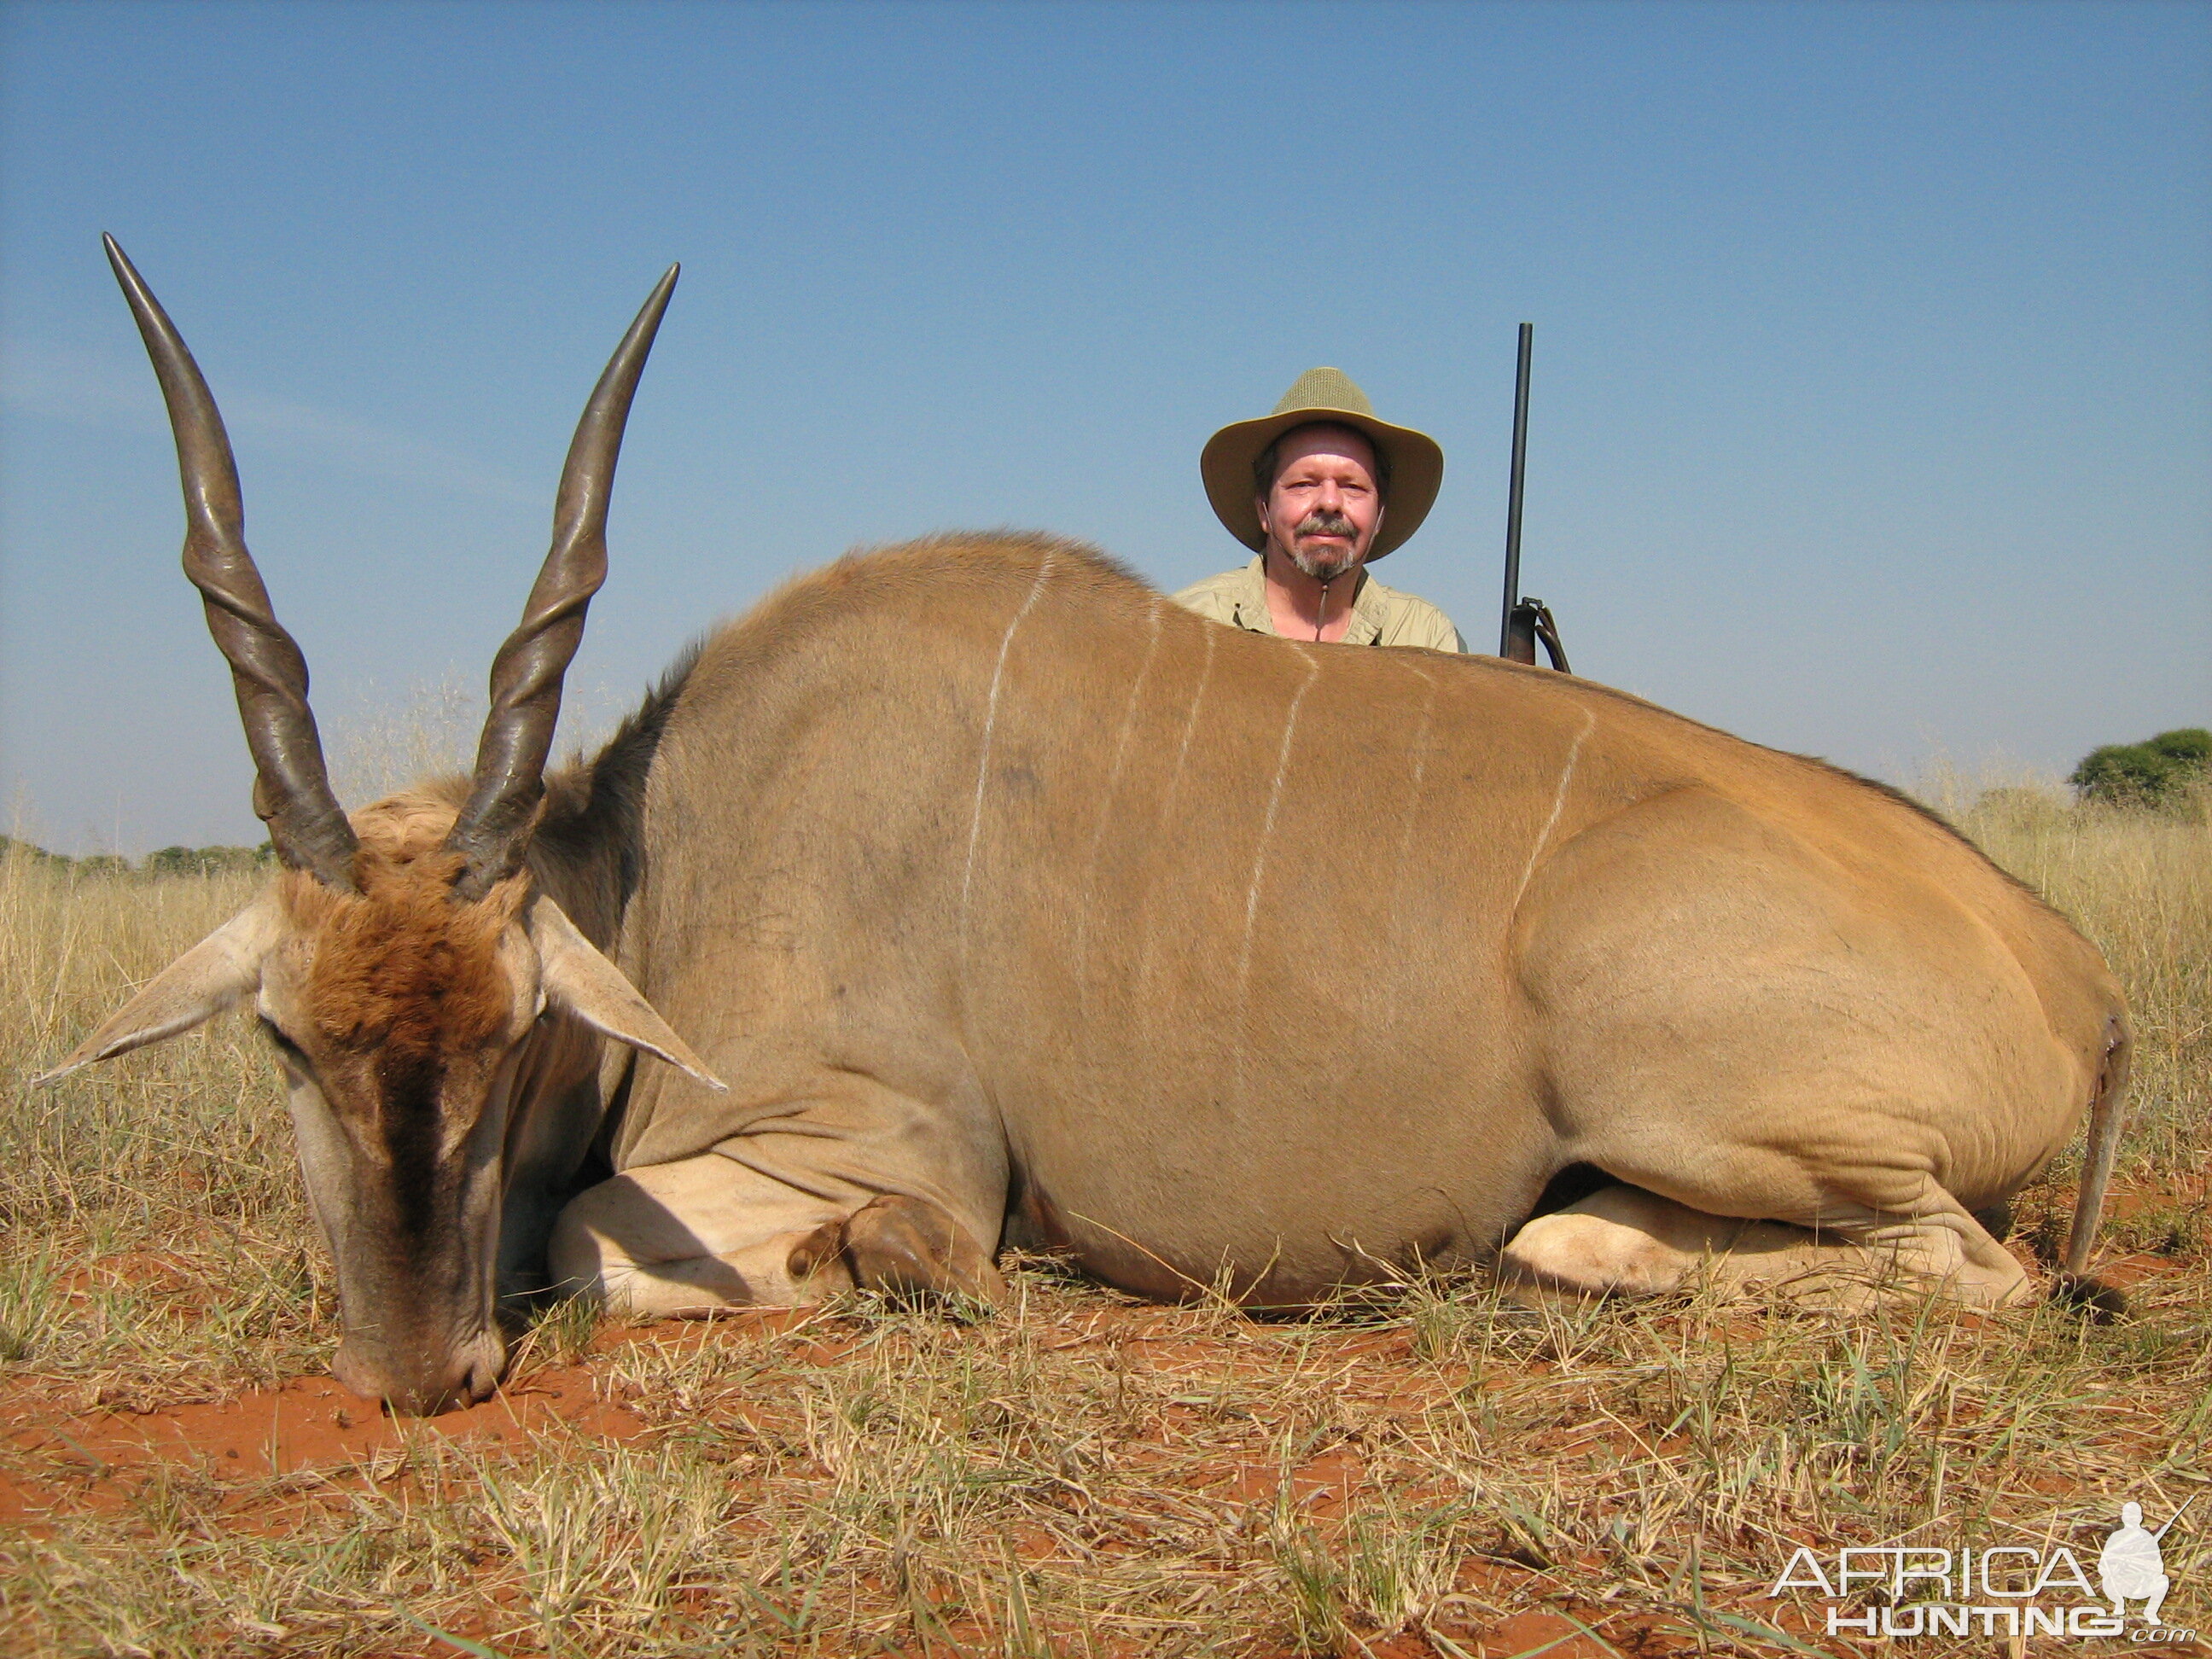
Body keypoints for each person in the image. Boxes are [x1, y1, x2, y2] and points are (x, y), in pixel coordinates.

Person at [1174, 367, 1464, 650]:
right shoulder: (1187, 628)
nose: (1330, 502)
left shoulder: (1427, 639)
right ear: (1264, 510)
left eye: (1353, 487)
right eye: (1304, 484)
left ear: (1380, 517)